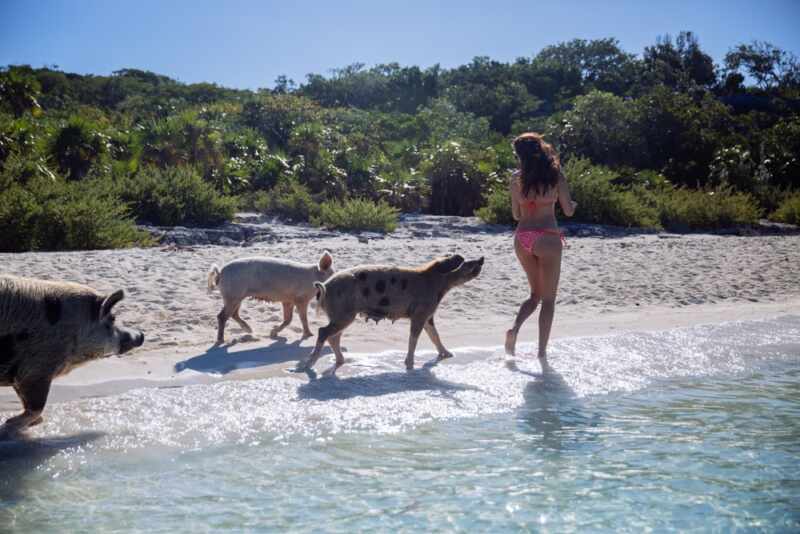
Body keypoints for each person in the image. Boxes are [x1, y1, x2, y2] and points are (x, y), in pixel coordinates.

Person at [504, 132, 576, 361]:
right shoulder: (556, 175)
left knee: (534, 294)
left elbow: (516, 214)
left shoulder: (516, 178)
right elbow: (568, 211)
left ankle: (515, 329)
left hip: (523, 237)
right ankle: (542, 353)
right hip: (547, 236)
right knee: (548, 300)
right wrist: (573, 204)